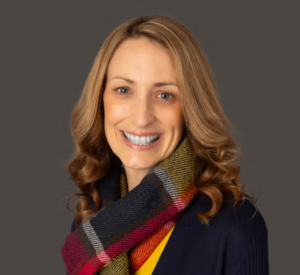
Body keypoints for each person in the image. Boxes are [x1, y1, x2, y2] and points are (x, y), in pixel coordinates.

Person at [61, 15, 269, 275]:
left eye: (165, 95)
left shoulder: (236, 228)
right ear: (100, 100)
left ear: (191, 108)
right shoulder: (91, 221)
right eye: (124, 90)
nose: (141, 117)